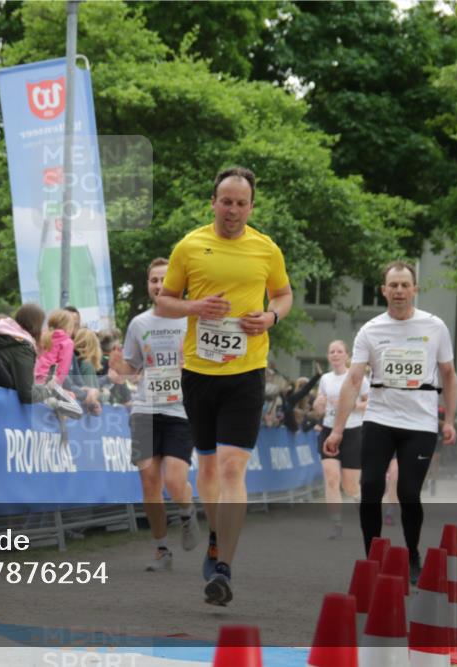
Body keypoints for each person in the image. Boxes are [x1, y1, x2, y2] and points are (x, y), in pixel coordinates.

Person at [155, 166, 292, 606]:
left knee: (233, 468)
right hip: (199, 372)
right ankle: (216, 538)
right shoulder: (189, 246)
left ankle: (224, 566)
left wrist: (270, 317)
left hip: (247, 373)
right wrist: (196, 306)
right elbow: (164, 300)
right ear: (213, 202)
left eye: (241, 203)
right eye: (226, 201)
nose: (233, 210)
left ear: (251, 207)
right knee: (209, 470)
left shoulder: (266, 249)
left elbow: (285, 295)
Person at [324, 261, 457, 583]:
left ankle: (412, 554)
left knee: (409, 493)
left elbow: (449, 374)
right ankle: (373, 556)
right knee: (370, 487)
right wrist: (338, 429)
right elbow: (354, 379)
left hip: (421, 422)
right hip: (380, 419)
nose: (399, 291)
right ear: (383, 290)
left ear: (415, 289)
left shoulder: (435, 326)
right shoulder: (370, 330)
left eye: (404, 285)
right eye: (393, 285)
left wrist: (449, 419)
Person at [109, 257, 203, 572]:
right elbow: (131, 369)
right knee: (150, 482)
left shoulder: (191, 318)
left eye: (165, 279)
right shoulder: (139, 323)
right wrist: (117, 367)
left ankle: (187, 513)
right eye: (153, 281)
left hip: (181, 410)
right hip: (145, 408)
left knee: (175, 480)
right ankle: (162, 550)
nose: (159, 285)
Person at [313, 340, 369, 540]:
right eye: (331, 352)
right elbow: (319, 408)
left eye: (339, 351)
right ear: (329, 357)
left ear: (347, 355)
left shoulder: (356, 377)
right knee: (331, 478)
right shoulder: (326, 379)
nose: (335, 354)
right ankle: (335, 523)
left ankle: (358, 499)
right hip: (329, 431)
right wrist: (317, 404)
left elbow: (371, 403)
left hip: (353, 432)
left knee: (350, 485)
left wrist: (351, 405)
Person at [0, 303, 50, 404]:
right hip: (6, 407)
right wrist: (50, 391)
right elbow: (27, 395)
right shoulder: (22, 348)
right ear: (36, 325)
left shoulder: (2, 336)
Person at [34, 309, 77, 385]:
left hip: (33, 379)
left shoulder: (41, 336)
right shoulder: (67, 342)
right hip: (49, 383)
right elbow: (62, 370)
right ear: (69, 327)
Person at [67, 328, 103, 415]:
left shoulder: (72, 358)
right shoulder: (87, 364)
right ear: (94, 345)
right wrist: (104, 394)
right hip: (82, 413)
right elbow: (91, 395)